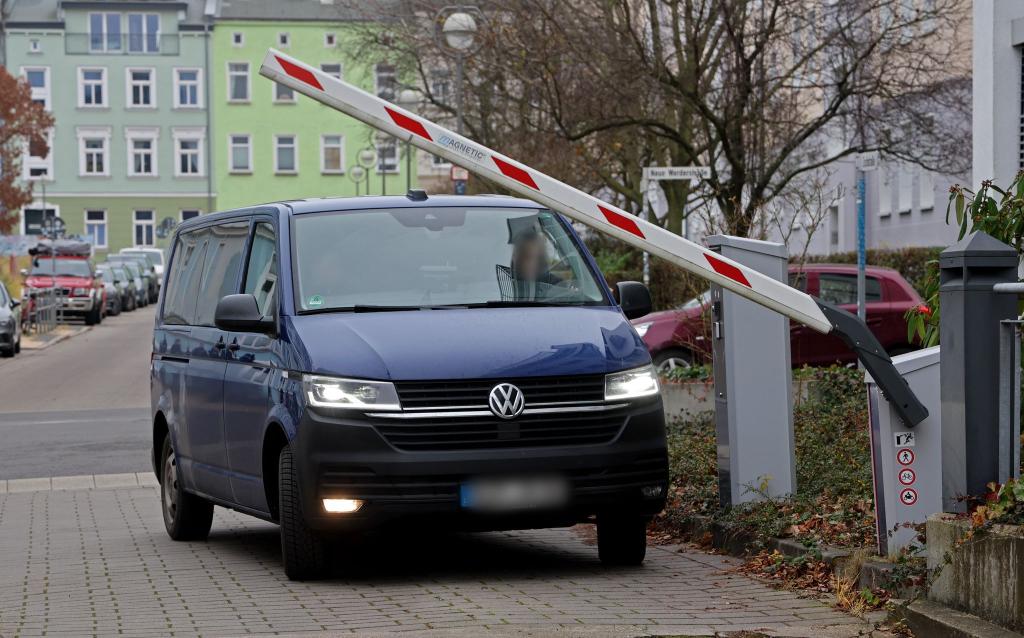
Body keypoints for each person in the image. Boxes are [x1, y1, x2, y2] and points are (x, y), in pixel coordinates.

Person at [510, 228, 561, 300]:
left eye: (539, 257)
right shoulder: (507, 282)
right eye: (528, 257)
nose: (533, 263)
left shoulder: (555, 284)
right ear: (516, 258)